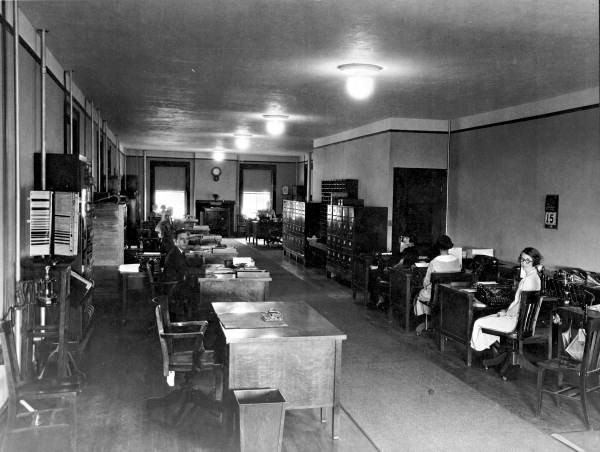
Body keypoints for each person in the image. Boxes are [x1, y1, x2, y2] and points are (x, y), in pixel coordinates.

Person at [470, 247, 542, 352]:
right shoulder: (536, 278)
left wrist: (505, 313)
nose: (523, 263)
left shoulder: (528, 281)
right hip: (523, 322)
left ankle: (484, 349)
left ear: (534, 261)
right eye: (521, 259)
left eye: (527, 260)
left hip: (514, 323)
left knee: (478, 322)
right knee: (492, 317)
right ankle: (498, 349)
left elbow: (520, 305)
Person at [414, 234, 461, 334]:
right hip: (451, 295)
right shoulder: (457, 260)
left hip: (436, 296)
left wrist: (424, 285)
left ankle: (429, 322)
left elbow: (426, 282)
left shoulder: (434, 262)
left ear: (439, 247)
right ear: (449, 246)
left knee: (419, 295)